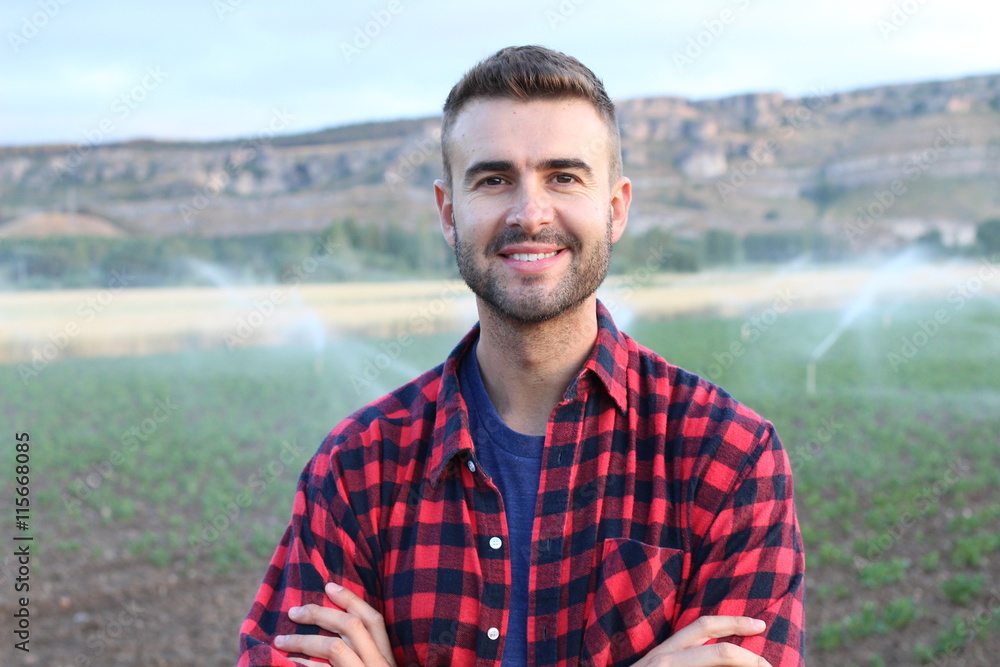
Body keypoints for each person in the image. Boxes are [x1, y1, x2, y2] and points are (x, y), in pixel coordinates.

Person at [238, 45, 805, 667]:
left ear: (615, 210)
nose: (530, 213)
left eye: (564, 176)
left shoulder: (727, 456)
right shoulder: (356, 469)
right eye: (494, 179)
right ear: (449, 213)